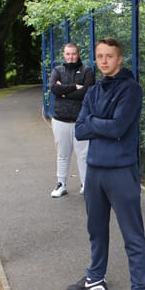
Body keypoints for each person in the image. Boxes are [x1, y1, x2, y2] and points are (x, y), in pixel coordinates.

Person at [68, 37, 145, 290]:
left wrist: (93, 122)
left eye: (109, 56)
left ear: (120, 59)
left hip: (121, 171)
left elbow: (117, 127)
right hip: (95, 171)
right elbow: (79, 130)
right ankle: (95, 277)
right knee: (96, 229)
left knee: (132, 235)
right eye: (100, 56)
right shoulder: (92, 91)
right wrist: (96, 122)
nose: (104, 61)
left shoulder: (131, 90)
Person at [48, 42, 95, 197]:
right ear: (64, 55)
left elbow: (87, 92)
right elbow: (54, 88)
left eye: (73, 53)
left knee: (83, 154)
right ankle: (61, 184)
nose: (71, 57)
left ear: (78, 53)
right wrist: (75, 87)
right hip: (60, 119)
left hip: (81, 120)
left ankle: (86, 185)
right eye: (68, 54)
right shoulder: (57, 70)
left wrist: (64, 92)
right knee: (63, 153)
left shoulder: (87, 70)